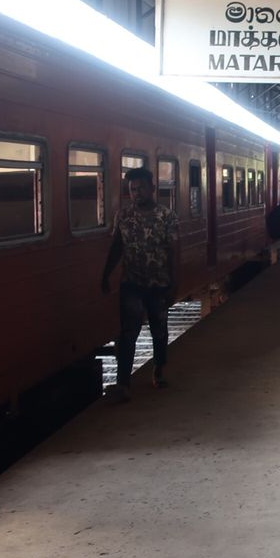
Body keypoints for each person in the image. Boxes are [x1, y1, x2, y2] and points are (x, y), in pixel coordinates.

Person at [100, 167, 179, 402]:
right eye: (133, 190)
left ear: (153, 188)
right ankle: (123, 383)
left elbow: (174, 252)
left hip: (159, 283)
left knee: (159, 330)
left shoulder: (167, 216)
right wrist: (105, 274)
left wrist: (175, 283)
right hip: (131, 282)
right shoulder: (123, 216)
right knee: (127, 333)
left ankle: (158, 370)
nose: (137, 193)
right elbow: (116, 247)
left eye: (141, 188)